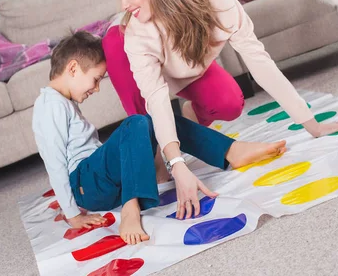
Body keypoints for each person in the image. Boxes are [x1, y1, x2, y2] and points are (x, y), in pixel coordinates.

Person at [102, 0, 338, 215]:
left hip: (186, 66)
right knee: (150, 124)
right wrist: (176, 163)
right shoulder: (134, 33)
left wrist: (313, 125)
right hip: (134, 64)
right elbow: (156, 99)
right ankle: (155, 153)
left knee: (230, 103)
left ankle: (189, 116)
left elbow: (258, 61)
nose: (124, 4)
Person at [32, 31, 287, 245]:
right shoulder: (49, 106)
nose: (96, 88)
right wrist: (73, 214)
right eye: (96, 80)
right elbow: (54, 164)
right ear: (73, 68)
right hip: (85, 184)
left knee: (156, 120)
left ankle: (229, 151)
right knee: (135, 123)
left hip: (101, 179)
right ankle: (130, 206)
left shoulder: (61, 102)